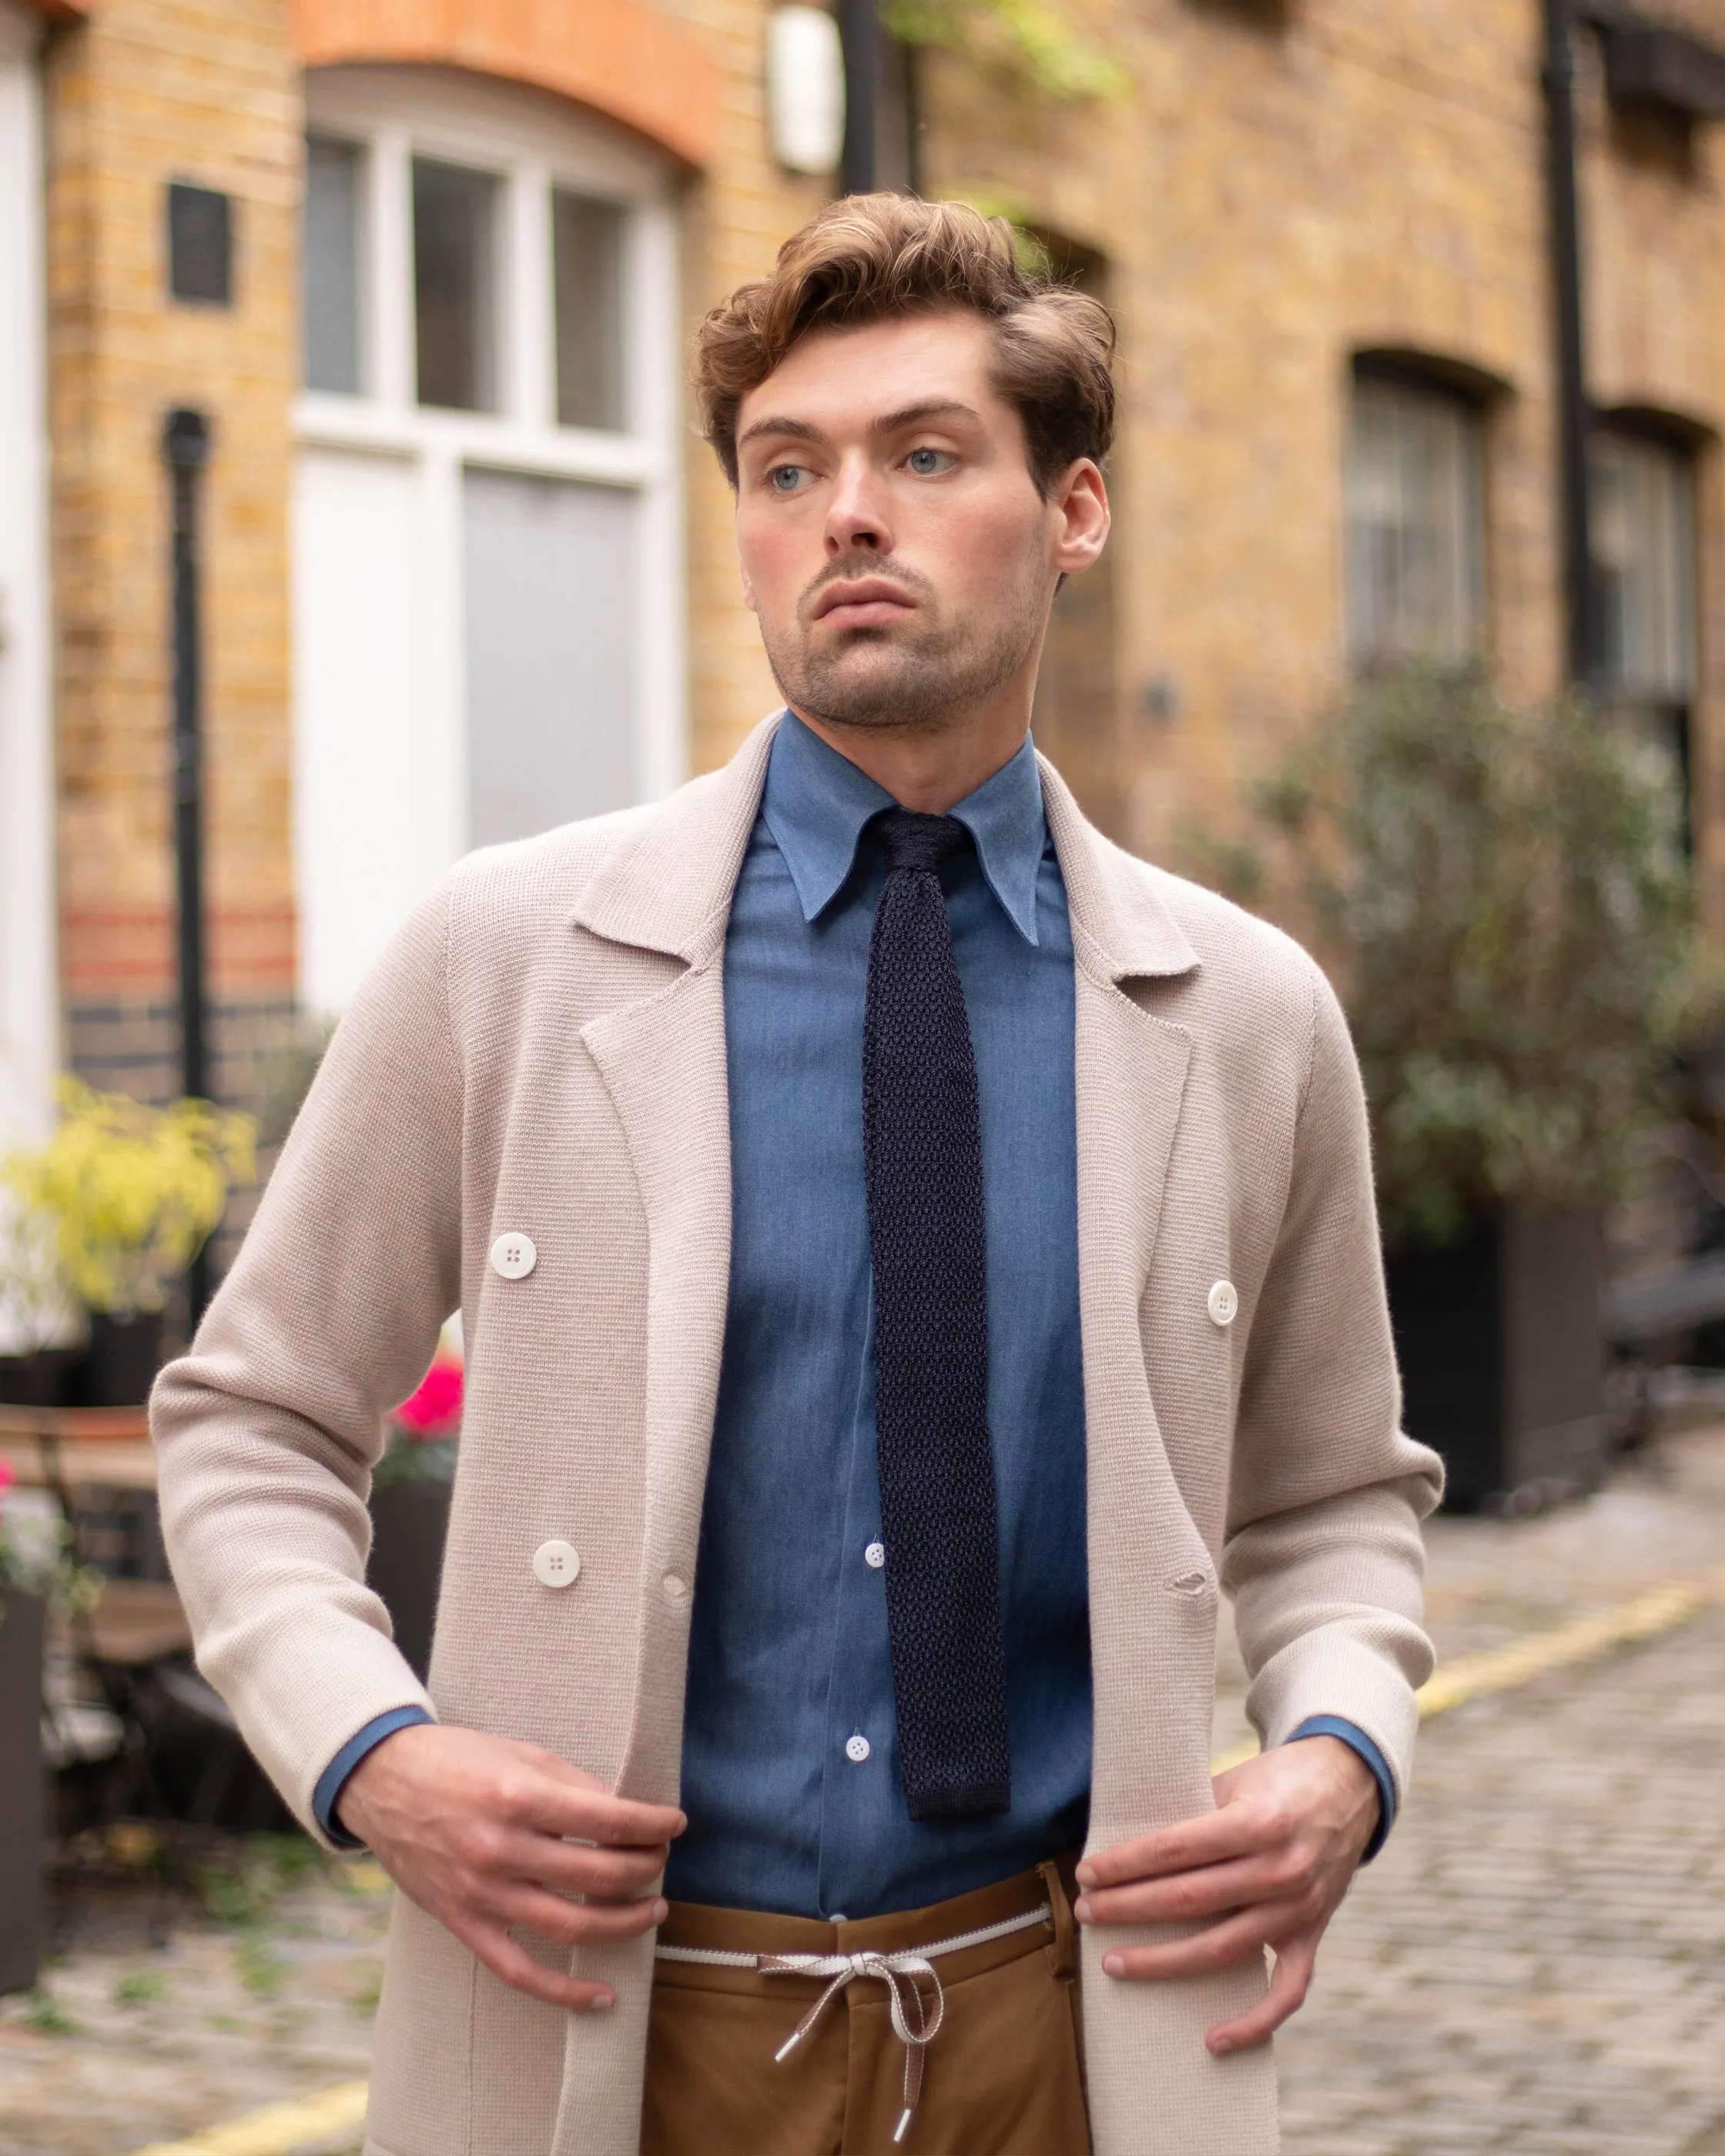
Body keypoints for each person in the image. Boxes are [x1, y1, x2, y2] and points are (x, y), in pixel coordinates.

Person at [153, 195, 1441, 2156]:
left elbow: (1333, 1492)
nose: (848, 512)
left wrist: (1344, 1747)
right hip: (602, 2031)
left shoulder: (1248, 1015)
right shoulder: (500, 956)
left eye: (925, 455)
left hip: (1065, 2037)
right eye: (788, 467)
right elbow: (249, 1421)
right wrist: (370, 1753)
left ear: (1071, 510)